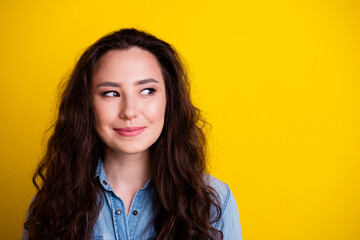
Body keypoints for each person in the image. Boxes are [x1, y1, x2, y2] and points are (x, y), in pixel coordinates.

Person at [23, 28, 242, 240]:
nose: (129, 111)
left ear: (169, 100)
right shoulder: (51, 203)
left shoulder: (215, 201)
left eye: (147, 91)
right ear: (86, 104)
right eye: (111, 93)